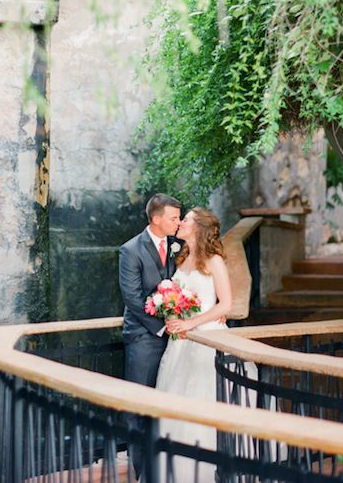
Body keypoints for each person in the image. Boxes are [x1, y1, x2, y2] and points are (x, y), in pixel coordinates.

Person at [155, 207, 232, 483]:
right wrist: (173, 316)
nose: (180, 222)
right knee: (176, 406)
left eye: (185, 219)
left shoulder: (214, 260)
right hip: (180, 344)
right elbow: (176, 298)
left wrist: (192, 322)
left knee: (205, 405)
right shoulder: (183, 258)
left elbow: (226, 304)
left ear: (198, 227)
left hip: (207, 339)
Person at [118, 193, 182, 476]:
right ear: (156, 219)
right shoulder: (130, 250)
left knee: (167, 403)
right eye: (173, 218)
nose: (178, 223)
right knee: (139, 406)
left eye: (179, 218)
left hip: (175, 340)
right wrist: (161, 326)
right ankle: (142, 472)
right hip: (144, 338)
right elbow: (132, 297)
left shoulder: (179, 247)